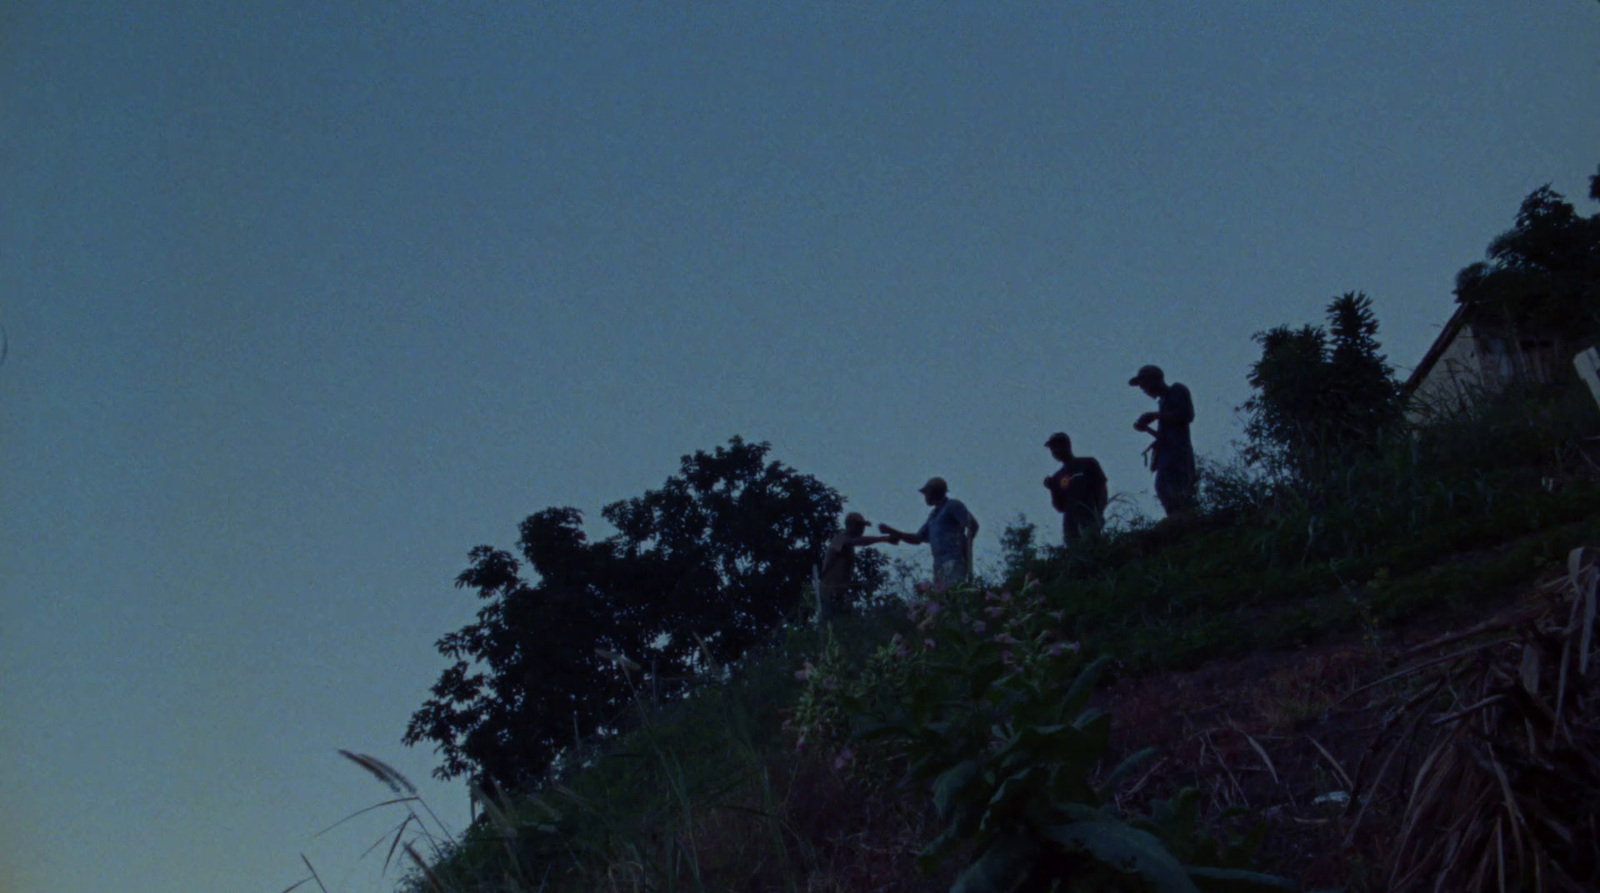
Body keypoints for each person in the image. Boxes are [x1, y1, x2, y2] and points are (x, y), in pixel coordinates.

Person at [879, 477, 979, 585]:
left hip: (954, 561)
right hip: (939, 565)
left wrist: (966, 547)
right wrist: (893, 532)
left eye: (926, 493)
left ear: (933, 492)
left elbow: (972, 525)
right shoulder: (933, 516)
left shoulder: (953, 505)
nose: (925, 497)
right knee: (943, 598)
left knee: (953, 592)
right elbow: (918, 539)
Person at [1129, 364, 1196, 516]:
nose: (1144, 389)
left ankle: (1182, 518)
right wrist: (1146, 428)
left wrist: (1155, 416)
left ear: (1155, 379)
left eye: (1145, 384)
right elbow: (1164, 437)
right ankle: (1176, 519)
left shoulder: (1177, 390)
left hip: (1179, 453)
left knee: (1174, 488)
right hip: (1167, 453)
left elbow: (1187, 415)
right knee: (1163, 488)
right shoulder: (1163, 402)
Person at [815, 512, 897, 624]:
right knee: (829, 626)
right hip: (829, 594)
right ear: (850, 526)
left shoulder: (848, 545)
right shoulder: (840, 539)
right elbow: (856, 542)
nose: (862, 529)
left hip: (839, 594)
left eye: (862, 526)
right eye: (859, 526)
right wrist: (884, 539)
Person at [1043, 432, 1108, 545]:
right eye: (1052, 449)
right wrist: (1052, 488)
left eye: (1056, 447)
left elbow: (1101, 488)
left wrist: (1099, 513)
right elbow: (1060, 507)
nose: (1054, 452)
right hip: (1071, 525)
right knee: (1076, 555)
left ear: (1067, 445)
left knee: (1094, 548)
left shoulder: (1088, 463)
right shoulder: (1058, 477)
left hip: (1089, 516)